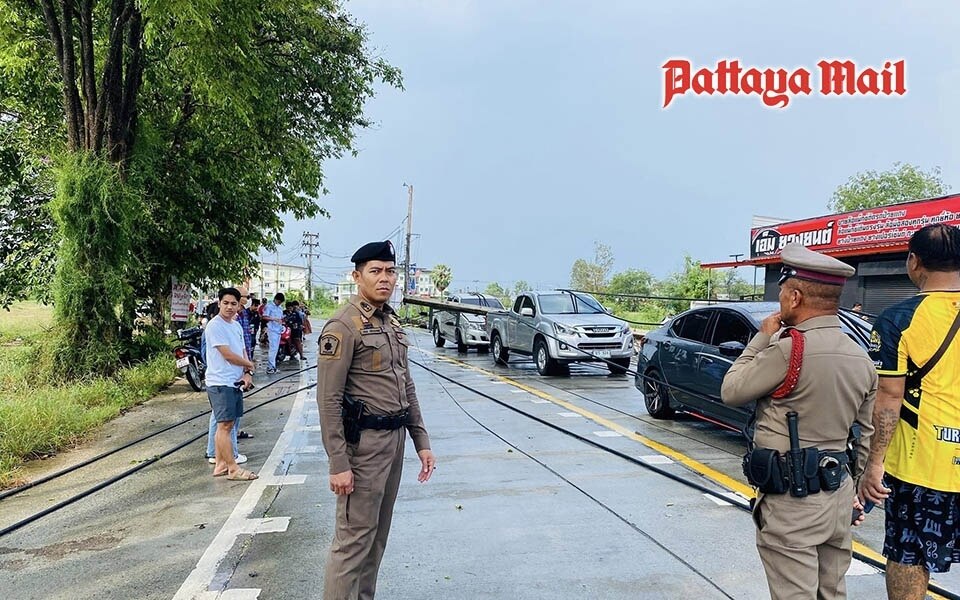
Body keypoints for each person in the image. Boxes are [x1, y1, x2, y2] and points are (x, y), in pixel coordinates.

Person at [721, 242, 877, 600]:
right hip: (837, 494)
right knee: (832, 592)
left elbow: (732, 389)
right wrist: (852, 491)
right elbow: (865, 434)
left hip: (792, 503)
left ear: (794, 297)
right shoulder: (860, 357)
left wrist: (761, 338)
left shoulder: (786, 349)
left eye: (782, 295)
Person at [317, 240, 436, 600]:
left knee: (376, 541)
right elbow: (328, 400)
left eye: (390, 271)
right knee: (352, 543)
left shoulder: (390, 322)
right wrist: (339, 463)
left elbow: (406, 385)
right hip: (363, 448)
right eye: (376, 271)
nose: (385, 278)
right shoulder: (343, 326)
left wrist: (422, 441)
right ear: (357, 276)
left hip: (394, 442)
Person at [859, 224, 960, 600]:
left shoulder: (898, 319)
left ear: (914, 262)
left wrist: (873, 464)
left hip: (920, 467)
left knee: (907, 552)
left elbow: (888, 398)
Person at [204, 287, 258, 481]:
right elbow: (227, 355)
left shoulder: (235, 325)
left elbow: (242, 351)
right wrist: (250, 364)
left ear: (239, 305)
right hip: (220, 383)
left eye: (233, 304)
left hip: (234, 382)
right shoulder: (215, 326)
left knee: (229, 423)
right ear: (219, 303)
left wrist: (247, 372)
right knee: (225, 425)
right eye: (225, 303)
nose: (229, 307)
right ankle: (233, 468)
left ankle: (220, 465)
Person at [263, 292, 285, 374]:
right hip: (272, 330)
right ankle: (270, 367)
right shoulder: (269, 306)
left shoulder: (280, 308)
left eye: (280, 302)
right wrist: (273, 319)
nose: (279, 303)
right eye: (278, 302)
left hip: (278, 330)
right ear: (275, 299)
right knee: (272, 349)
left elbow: (281, 317)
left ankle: (273, 366)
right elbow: (264, 316)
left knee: (275, 349)